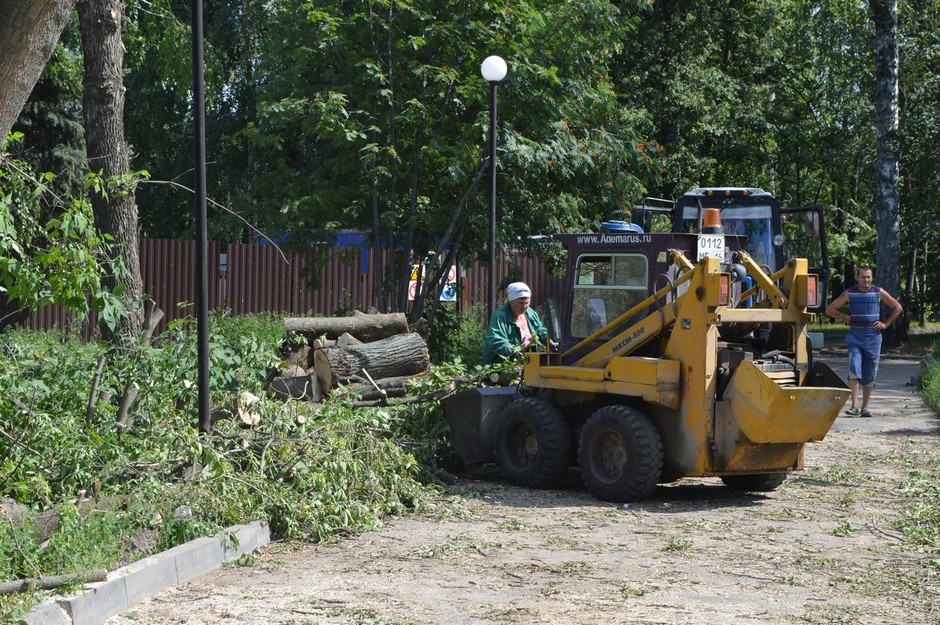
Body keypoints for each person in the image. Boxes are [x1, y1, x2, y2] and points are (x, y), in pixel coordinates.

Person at [825, 267, 903, 418]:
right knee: (854, 368)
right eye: (863, 277)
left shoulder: (878, 291)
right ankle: (854, 406)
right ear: (857, 278)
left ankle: (865, 408)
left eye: (868, 277)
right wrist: (845, 317)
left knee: (870, 372)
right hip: (855, 336)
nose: (866, 280)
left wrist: (885, 324)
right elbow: (830, 310)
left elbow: (897, 307)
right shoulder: (850, 293)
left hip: (873, 337)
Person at [483, 282, 548, 365]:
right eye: (520, 303)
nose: (524, 306)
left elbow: (539, 330)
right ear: (511, 301)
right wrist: (513, 351)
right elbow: (495, 339)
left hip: (528, 364)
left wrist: (548, 340)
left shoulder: (531, 314)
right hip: (503, 366)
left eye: (527, 303)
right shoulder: (500, 316)